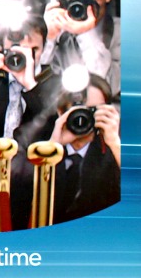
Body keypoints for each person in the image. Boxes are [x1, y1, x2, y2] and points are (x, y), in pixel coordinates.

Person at [0, 15, 61, 225]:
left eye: (32, 50)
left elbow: (50, 130)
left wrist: (29, 84)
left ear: (43, 49)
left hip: (34, 188)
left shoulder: (53, 84)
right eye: (16, 49)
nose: (23, 56)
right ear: (3, 46)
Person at [9, 73, 120, 228]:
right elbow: (14, 193)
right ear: (61, 111)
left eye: (93, 110)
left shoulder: (116, 147)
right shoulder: (36, 139)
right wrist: (52, 147)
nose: (84, 117)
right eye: (78, 109)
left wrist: (115, 144)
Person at [41, 0, 120, 105]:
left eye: (91, 1)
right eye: (77, 2)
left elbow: (109, 86)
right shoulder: (63, 37)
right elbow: (40, 87)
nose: (84, 8)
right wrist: (49, 39)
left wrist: (85, 33)